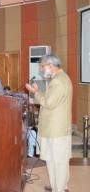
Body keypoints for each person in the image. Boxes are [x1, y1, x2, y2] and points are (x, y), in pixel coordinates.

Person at [25, 54, 72, 192]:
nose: (41, 69)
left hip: (56, 130)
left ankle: (60, 188)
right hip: (53, 129)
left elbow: (48, 103)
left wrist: (35, 92)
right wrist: (39, 92)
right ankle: (56, 185)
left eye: (42, 66)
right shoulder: (59, 79)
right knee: (52, 160)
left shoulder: (59, 81)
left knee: (58, 161)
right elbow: (51, 99)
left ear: (51, 66)